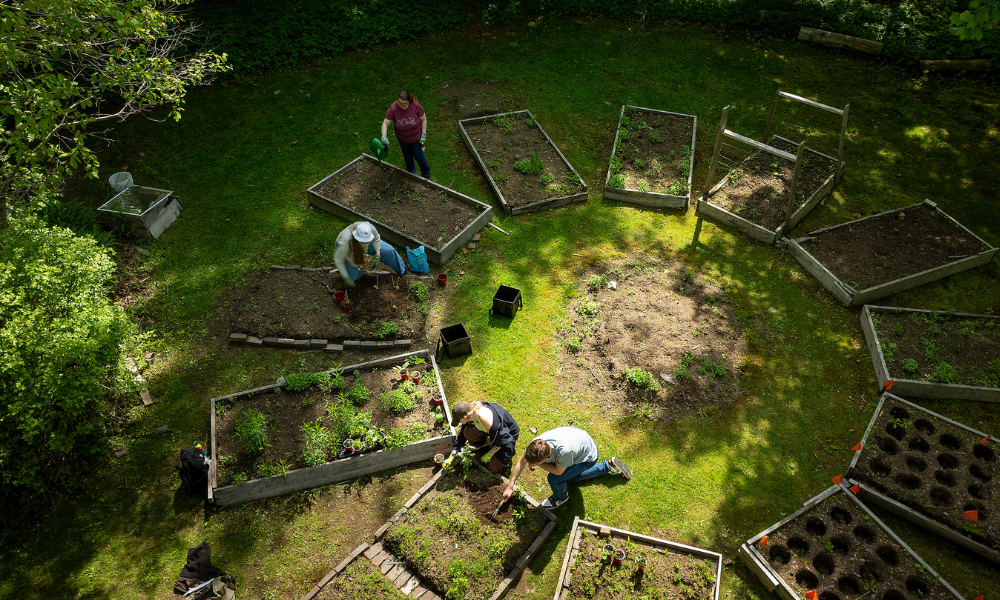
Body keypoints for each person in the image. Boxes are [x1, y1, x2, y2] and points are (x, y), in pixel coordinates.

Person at [502, 426, 631, 509]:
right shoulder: (536, 445)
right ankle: (609, 466)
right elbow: (521, 462)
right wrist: (510, 485)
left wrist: (539, 464)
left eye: (538, 463)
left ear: (546, 459)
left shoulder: (564, 452)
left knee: (555, 479)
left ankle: (561, 498)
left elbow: (558, 472)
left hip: (587, 456)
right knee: (569, 478)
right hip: (579, 440)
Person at [450, 401, 520, 473]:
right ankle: (487, 443)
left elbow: (503, 439)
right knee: (468, 432)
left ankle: (499, 452)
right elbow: (462, 434)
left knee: (493, 467)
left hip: (508, 434)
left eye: (459, 420)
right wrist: (454, 450)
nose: (459, 422)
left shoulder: (483, 417)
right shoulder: (469, 414)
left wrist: (490, 454)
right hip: (496, 433)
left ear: (464, 417)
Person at [334, 221, 405, 287]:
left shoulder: (370, 228)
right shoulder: (345, 243)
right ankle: (355, 276)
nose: (364, 243)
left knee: (388, 251)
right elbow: (338, 260)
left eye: (367, 240)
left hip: (366, 245)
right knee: (353, 277)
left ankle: (402, 270)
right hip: (349, 247)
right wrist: (346, 276)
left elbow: (376, 239)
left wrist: (378, 254)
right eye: (362, 241)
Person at [381, 90, 429, 178]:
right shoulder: (393, 108)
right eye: (400, 103)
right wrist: (384, 136)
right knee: (408, 158)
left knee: (419, 156)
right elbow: (385, 123)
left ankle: (426, 175)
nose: (402, 105)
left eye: (405, 103)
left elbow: (423, 120)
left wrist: (423, 134)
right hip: (403, 139)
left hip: (416, 139)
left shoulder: (416, 106)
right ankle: (411, 175)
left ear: (409, 100)